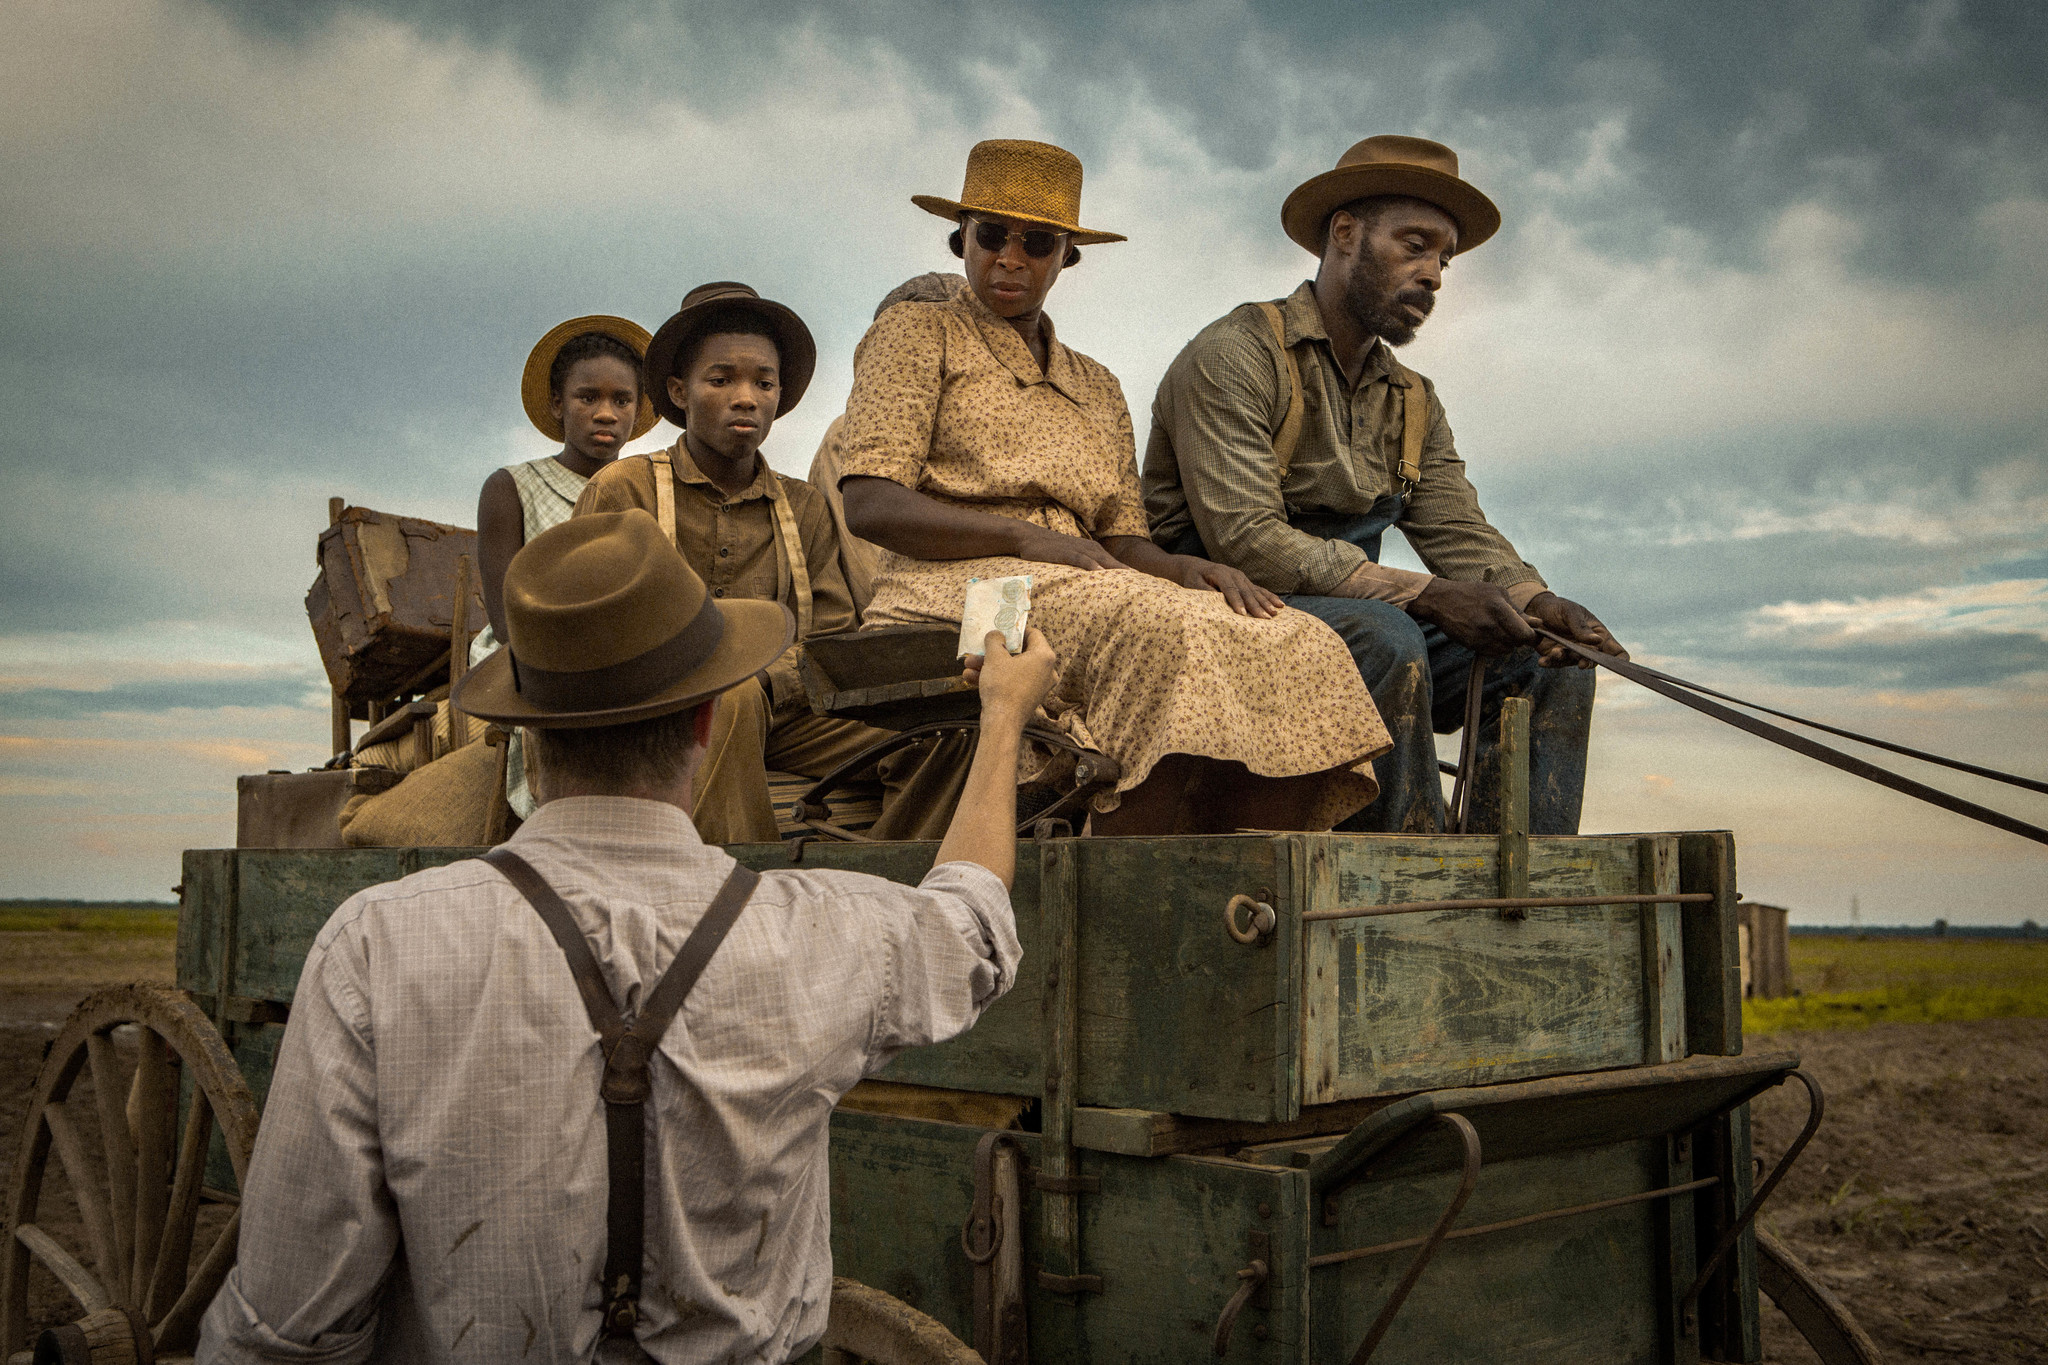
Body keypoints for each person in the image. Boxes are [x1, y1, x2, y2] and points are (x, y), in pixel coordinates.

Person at [199, 508, 1060, 1363]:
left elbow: (288, 1326)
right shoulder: (824, 932)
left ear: (526, 737)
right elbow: (972, 919)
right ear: (706, 723)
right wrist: (1001, 720)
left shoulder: (376, 945)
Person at [839, 139, 1390, 836]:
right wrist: (1026, 536)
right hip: (953, 590)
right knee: (1154, 627)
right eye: (990, 236)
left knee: (1298, 639)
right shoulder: (919, 331)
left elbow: (1121, 540)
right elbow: (870, 501)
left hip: (1080, 579)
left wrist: (1190, 568)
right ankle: (1130, 873)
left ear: (1066, 254)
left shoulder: (1095, 384)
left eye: (1036, 241)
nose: (1009, 257)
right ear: (961, 239)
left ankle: (1247, 868)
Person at [1144, 135, 1628, 834]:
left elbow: (1460, 530)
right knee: (1387, 638)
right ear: (1346, 233)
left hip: (1354, 615)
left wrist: (1538, 600)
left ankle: (1519, 890)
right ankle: (1411, 875)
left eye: (1443, 259)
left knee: (1547, 661)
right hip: (1217, 613)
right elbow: (1247, 542)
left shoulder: (1412, 400)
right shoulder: (1235, 355)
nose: (1432, 273)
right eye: (1415, 244)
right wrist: (1428, 594)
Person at [575, 283, 968, 844]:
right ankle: (741, 891)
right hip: (651, 719)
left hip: (781, 708)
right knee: (728, 698)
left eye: (764, 383)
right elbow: (593, 639)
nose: (746, 397)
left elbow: (831, 637)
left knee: (947, 736)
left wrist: (769, 678)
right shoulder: (625, 488)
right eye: (721, 380)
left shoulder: (804, 505)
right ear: (678, 391)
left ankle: (889, 881)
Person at [473, 315, 660, 817]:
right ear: (558, 403)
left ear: (637, 409)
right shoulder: (512, 488)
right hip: (537, 661)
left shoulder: (650, 491)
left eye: (621, 400)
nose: (606, 413)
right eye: (587, 398)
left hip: (631, 658)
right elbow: (505, 619)